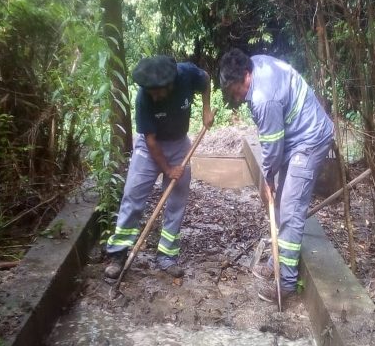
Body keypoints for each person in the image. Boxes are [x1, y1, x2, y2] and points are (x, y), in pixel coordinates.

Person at [218, 48, 334, 303]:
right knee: (282, 203)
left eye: (235, 89)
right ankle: (276, 260)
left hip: (309, 139)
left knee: (291, 208)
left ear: (246, 76)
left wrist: (267, 179)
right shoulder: (257, 64)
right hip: (295, 136)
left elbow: (272, 147)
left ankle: (288, 284)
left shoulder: (263, 98)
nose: (236, 97)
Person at [103, 55, 213, 282]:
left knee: (176, 201)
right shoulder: (144, 98)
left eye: (157, 91)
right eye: (149, 90)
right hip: (149, 148)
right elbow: (151, 141)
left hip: (179, 144)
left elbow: (206, 80)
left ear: (170, 83)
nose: (153, 95)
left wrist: (206, 109)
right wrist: (168, 169)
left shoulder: (186, 74)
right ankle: (118, 254)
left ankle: (166, 255)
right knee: (133, 196)